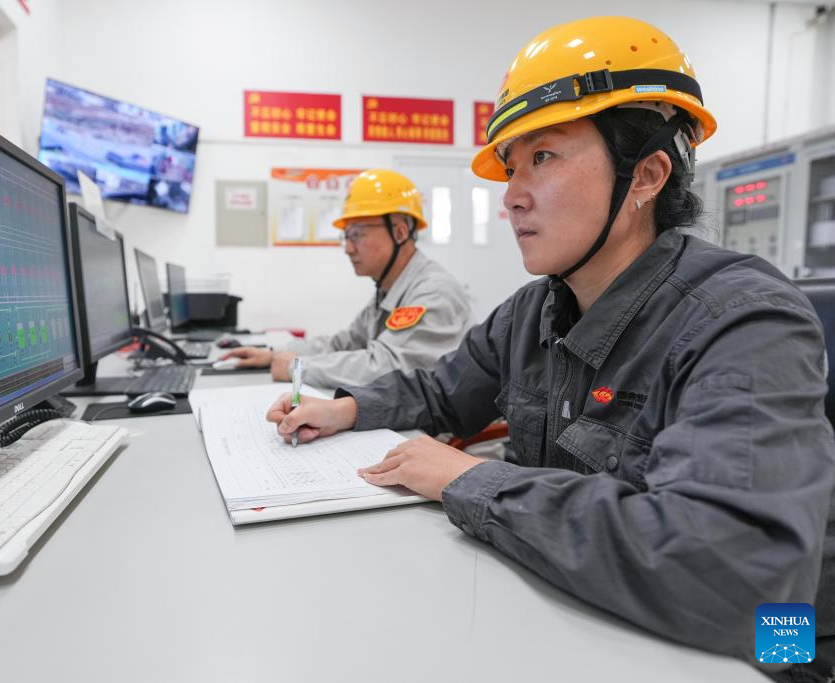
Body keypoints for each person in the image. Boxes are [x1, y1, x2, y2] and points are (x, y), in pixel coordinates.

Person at [265, 16, 835, 679]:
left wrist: (473, 481)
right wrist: (348, 409)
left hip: (769, 646)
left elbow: (741, 577)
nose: (511, 195)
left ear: (646, 175)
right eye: (511, 166)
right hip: (596, 615)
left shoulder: (743, 321)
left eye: (543, 156)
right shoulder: (535, 309)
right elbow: (440, 389)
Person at [221, 169, 471, 389]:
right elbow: (345, 343)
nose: (348, 248)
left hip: (451, 440)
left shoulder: (433, 291)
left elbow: (386, 367)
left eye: (357, 235)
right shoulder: (389, 289)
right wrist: (275, 354)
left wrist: (297, 368)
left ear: (400, 232)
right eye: (346, 236)